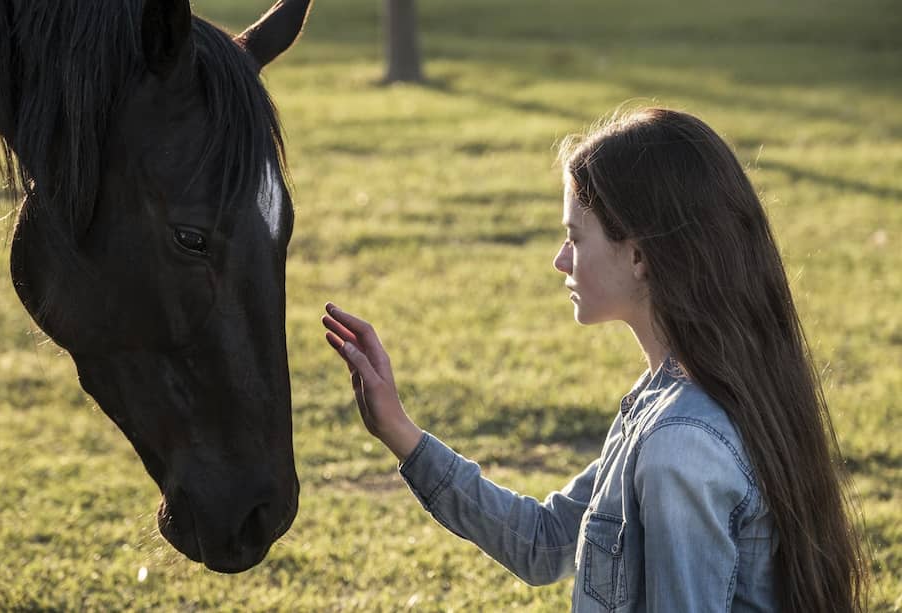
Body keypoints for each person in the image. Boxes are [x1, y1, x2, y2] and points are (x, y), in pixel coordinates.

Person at [321, 108, 868, 612]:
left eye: (574, 238)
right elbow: (545, 543)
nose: (560, 260)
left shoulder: (680, 442)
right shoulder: (669, 398)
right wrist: (399, 430)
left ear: (638, 257)